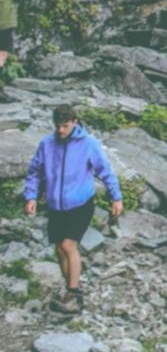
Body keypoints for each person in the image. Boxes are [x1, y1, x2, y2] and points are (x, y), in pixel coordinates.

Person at [23, 105, 124, 315]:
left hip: (81, 203)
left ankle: (73, 292)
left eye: (65, 126)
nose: (61, 130)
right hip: (55, 205)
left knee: (69, 245)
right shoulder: (47, 144)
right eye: (58, 126)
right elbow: (34, 172)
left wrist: (116, 197)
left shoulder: (88, 144)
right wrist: (31, 196)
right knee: (59, 249)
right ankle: (71, 286)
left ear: (75, 122)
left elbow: (105, 171)